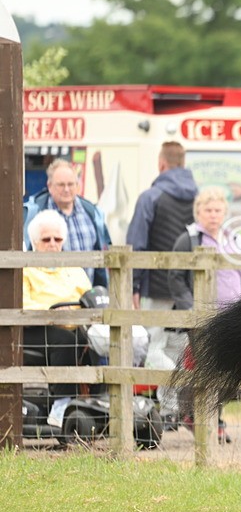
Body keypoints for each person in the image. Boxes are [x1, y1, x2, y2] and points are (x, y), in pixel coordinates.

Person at [169, 188, 241, 444]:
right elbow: (176, 278)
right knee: (204, 370)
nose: (213, 215)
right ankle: (201, 418)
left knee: (228, 371)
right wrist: (192, 310)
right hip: (202, 319)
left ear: (225, 212)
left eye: (217, 210)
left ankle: (212, 418)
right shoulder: (189, 240)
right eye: (208, 210)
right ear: (199, 212)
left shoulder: (235, 239)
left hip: (230, 316)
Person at [127, 141, 199, 370]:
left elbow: (136, 245)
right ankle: (171, 404)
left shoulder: (150, 197)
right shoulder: (201, 198)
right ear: (183, 163)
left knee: (149, 347)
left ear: (161, 164)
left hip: (156, 288)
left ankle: (171, 396)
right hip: (190, 288)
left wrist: (133, 286)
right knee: (176, 349)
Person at [23, 210, 95, 399]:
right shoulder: (25, 269)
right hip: (36, 327)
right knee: (65, 341)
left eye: (58, 239)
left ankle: (99, 400)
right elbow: (23, 306)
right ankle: (62, 402)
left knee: (97, 339)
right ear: (34, 242)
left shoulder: (74, 267)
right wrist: (52, 314)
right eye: (46, 240)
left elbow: (89, 298)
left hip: (75, 324)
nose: (53, 244)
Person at [22, 159, 112, 287]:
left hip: (88, 296)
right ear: (49, 186)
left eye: (71, 184)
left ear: (77, 185)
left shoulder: (92, 213)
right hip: (49, 296)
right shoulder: (34, 213)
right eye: (61, 184)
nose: (66, 189)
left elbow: (103, 258)